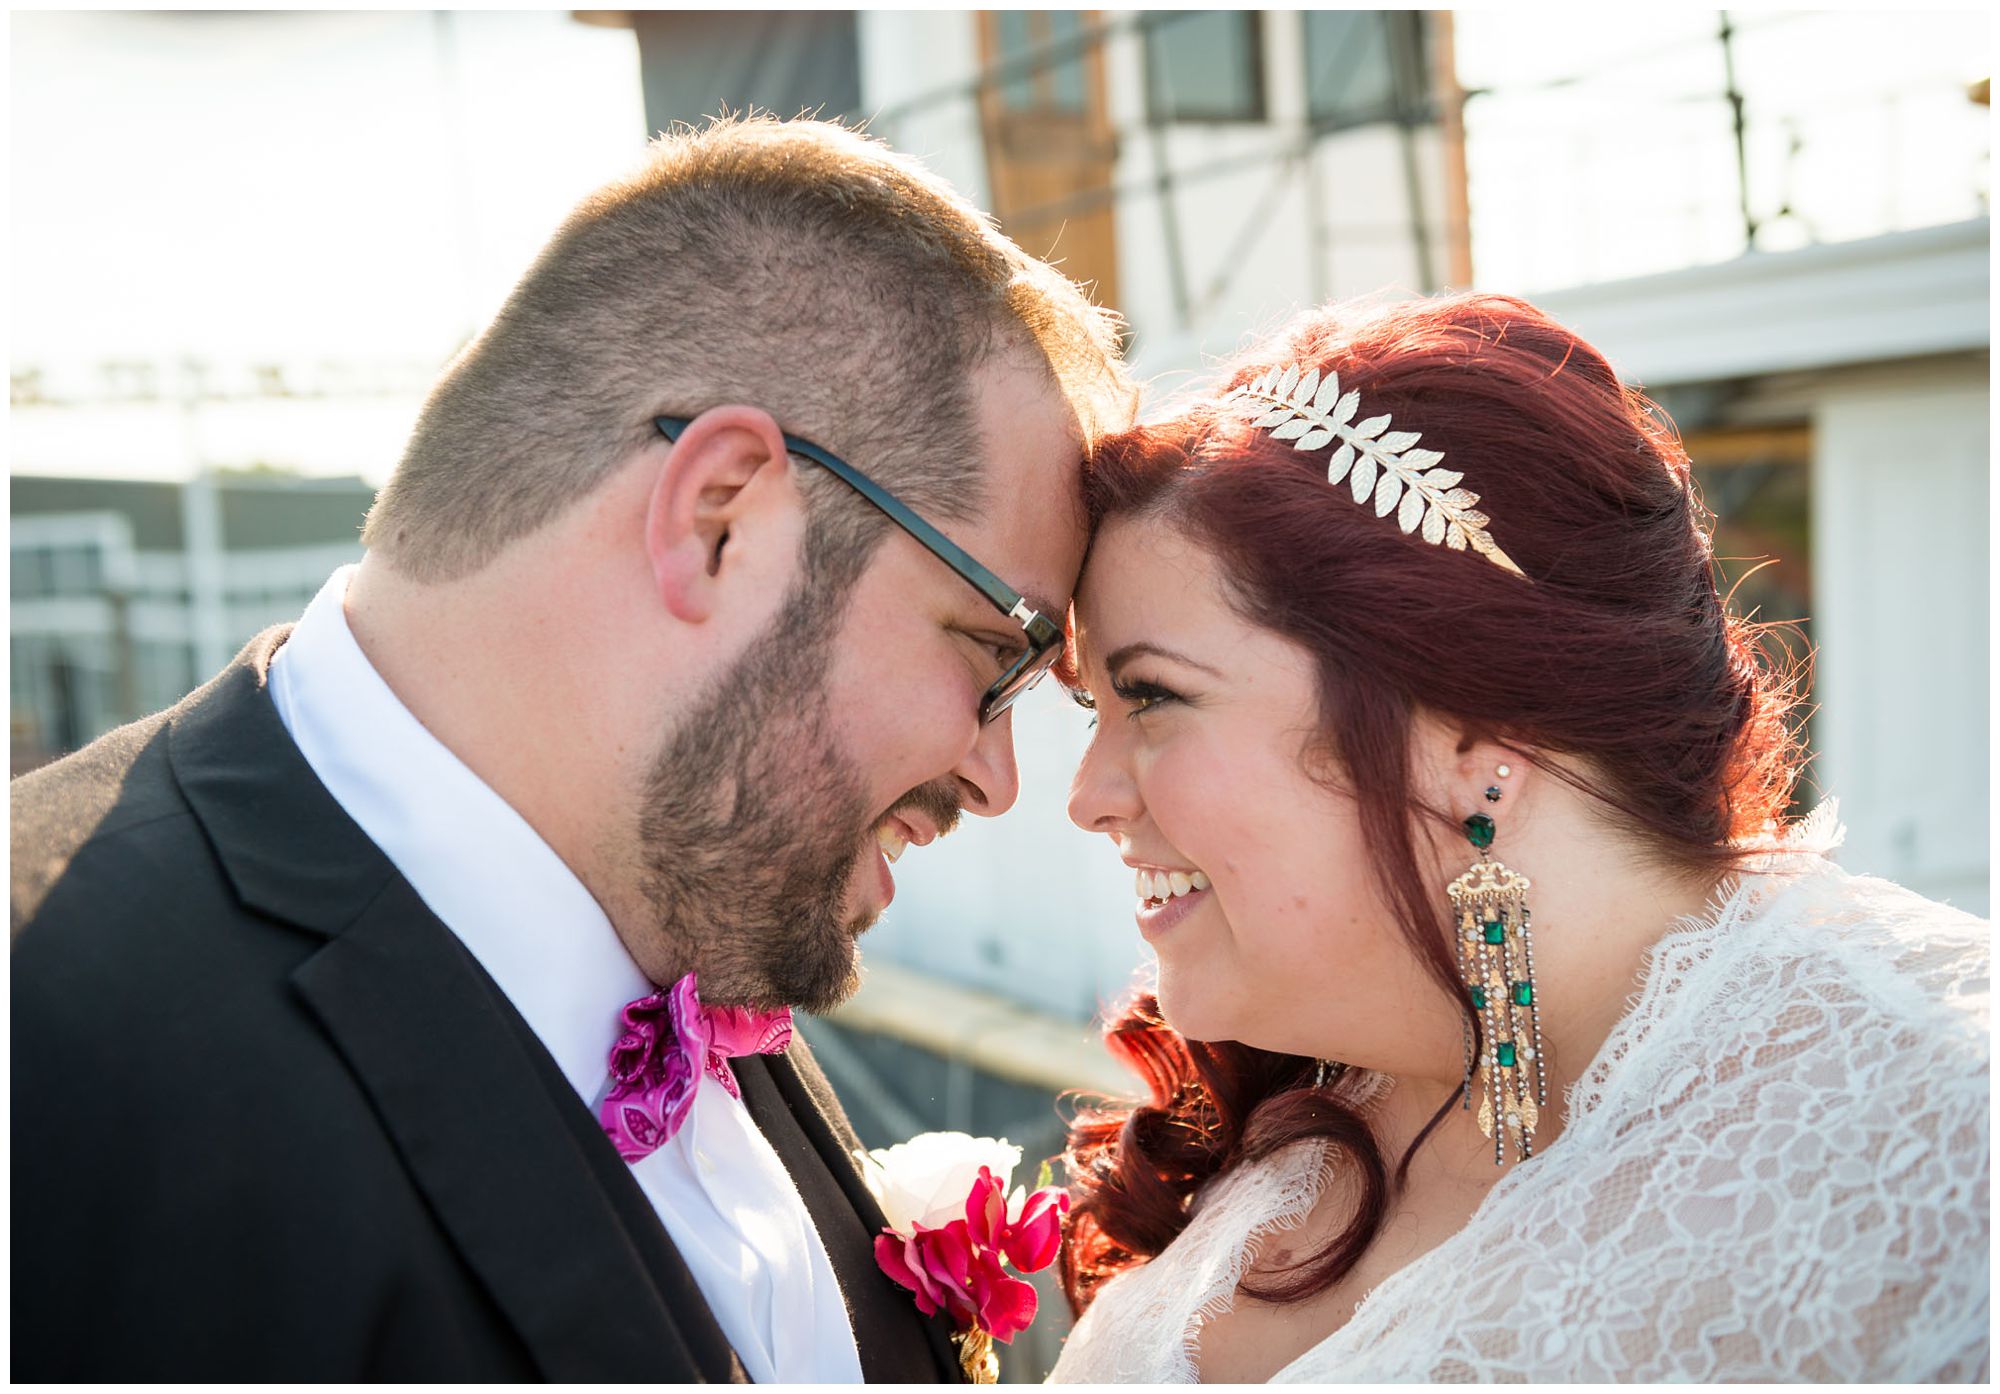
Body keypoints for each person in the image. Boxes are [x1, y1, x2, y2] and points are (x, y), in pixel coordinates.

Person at [11, 116, 1132, 1381]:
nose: (998, 775)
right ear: (721, 522)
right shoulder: (42, 1062)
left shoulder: (695, 897)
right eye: (996, 653)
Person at [1046, 292, 1988, 1382]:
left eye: (1152, 695)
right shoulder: (1323, 1106)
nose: (1087, 793)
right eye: (1093, 715)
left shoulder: (1941, 1142)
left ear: (1474, 742)